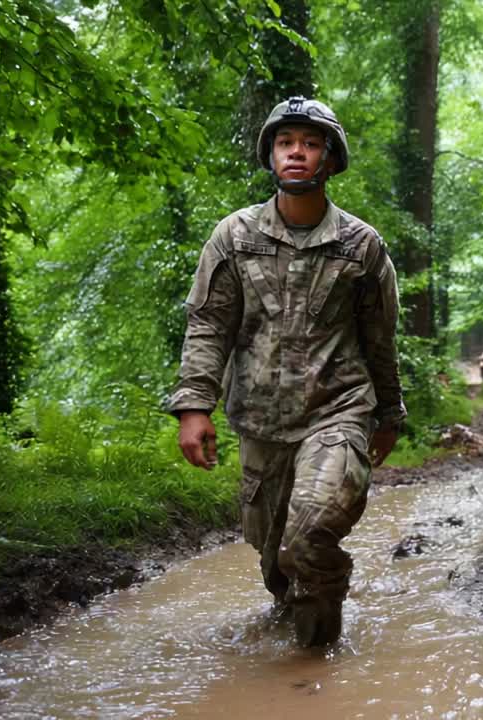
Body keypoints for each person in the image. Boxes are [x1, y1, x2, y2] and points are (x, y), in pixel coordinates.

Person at [166, 96, 405, 647]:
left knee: (308, 538)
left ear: (330, 158)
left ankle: (315, 669)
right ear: (271, 154)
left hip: (339, 411)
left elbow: (380, 339)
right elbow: (208, 326)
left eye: (310, 142)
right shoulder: (234, 238)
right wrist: (193, 407)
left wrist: (389, 413)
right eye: (285, 142)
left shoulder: (361, 246)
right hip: (261, 423)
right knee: (277, 563)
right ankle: (297, 626)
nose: (296, 152)